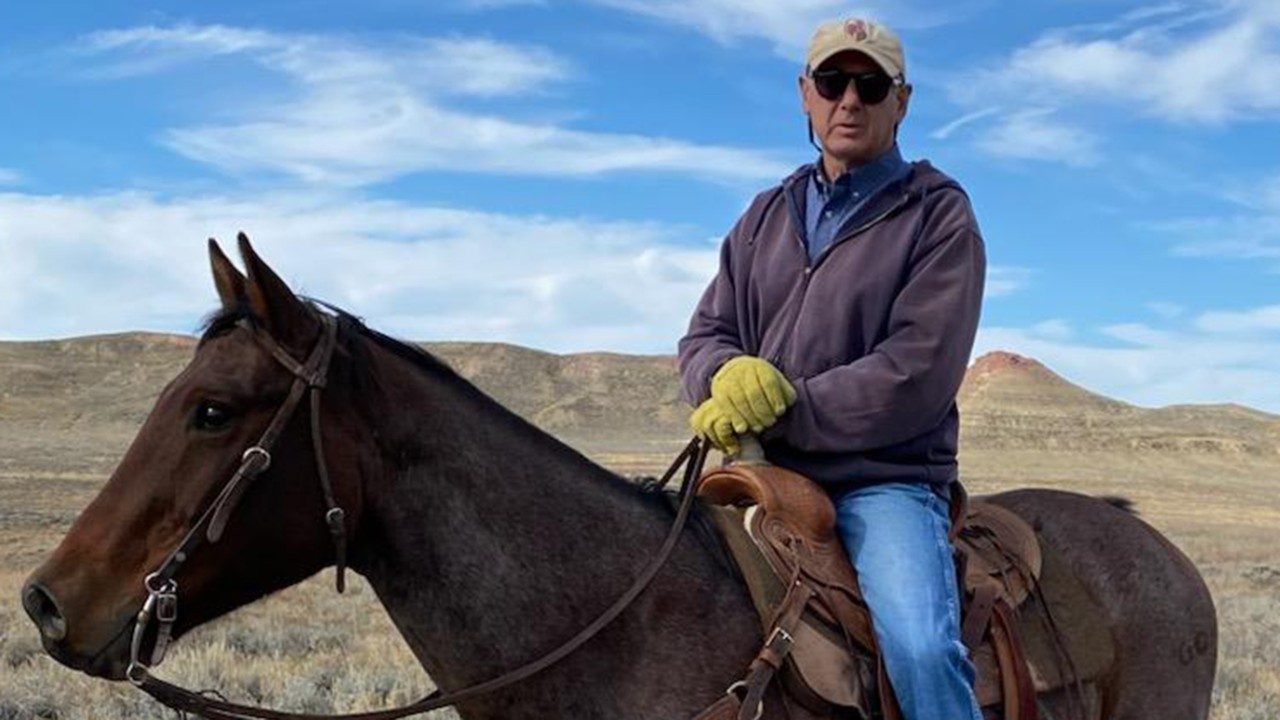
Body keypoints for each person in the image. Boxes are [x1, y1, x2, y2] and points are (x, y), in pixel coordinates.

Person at [676, 17, 986, 720]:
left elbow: (918, 372)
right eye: (833, 81)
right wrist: (720, 378)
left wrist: (785, 405)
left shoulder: (937, 217)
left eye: (871, 85)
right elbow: (706, 332)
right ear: (805, 96)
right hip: (757, 473)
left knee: (920, 649)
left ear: (901, 101)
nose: (850, 100)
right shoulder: (764, 215)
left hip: (879, 484)